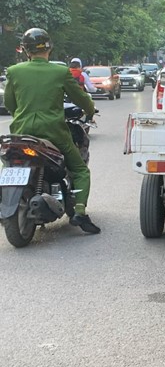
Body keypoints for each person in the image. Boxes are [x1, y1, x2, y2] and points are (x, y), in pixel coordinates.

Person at [4, 28, 99, 234]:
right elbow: (80, 98)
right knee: (80, 169)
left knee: (8, 162)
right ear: (49, 49)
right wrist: (90, 109)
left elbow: (10, 103)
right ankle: (80, 211)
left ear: (26, 51)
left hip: (21, 132)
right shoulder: (60, 71)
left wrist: (22, 115)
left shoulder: (14, 71)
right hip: (54, 133)